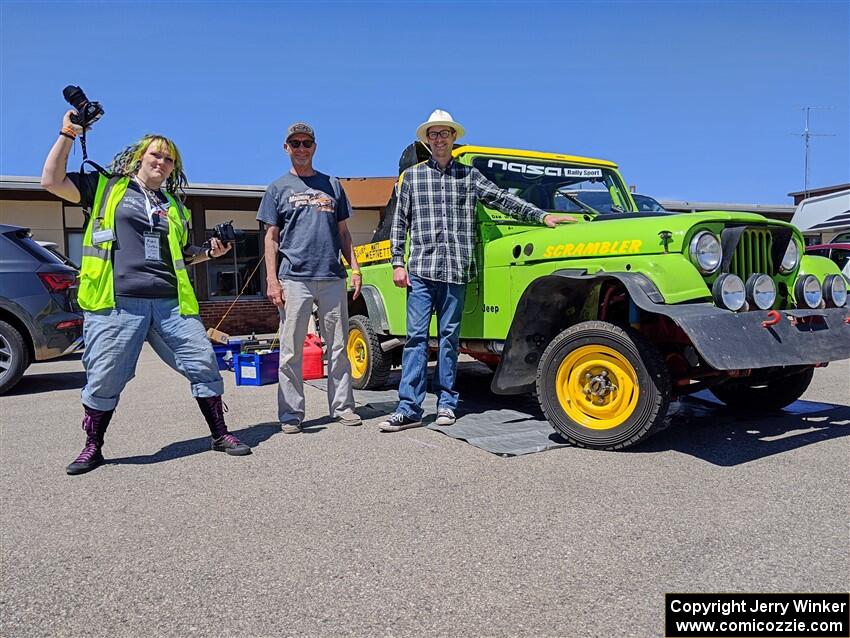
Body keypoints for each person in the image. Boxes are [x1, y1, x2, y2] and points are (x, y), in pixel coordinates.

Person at [41, 110, 251, 475]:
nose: (162, 162)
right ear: (140, 156)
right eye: (156, 154)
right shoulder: (106, 187)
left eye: (169, 159)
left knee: (203, 362)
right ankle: (93, 446)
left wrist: (209, 253)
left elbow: (182, 256)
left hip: (171, 302)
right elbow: (51, 180)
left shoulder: (173, 206)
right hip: (117, 302)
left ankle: (220, 434)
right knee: (105, 376)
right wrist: (68, 133)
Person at [378, 109, 576, 432]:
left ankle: (446, 404)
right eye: (433, 134)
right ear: (426, 140)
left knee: (448, 339)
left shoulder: (469, 177)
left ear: (454, 138)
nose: (439, 139)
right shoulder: (413, 178)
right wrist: (397, 262)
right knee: (415, 339)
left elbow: (502, 199)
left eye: (444, 133)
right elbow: (400, 223)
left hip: (455, 271)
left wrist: (543, 218)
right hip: (421, 272)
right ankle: (408, 408)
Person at [257, 122, 362, 433]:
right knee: (291, 350)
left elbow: (343, 232)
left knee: (339, 347)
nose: (301, 148)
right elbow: (271, 238)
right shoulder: (277, 188)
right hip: (294, 280)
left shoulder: (332, 185)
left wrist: (354, 268)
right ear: (286, 148)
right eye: (295, 143)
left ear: (314, 147)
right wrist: (272, 280)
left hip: (332, 276)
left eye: (307, 143)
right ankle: (291, 414)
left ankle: (342, 407)